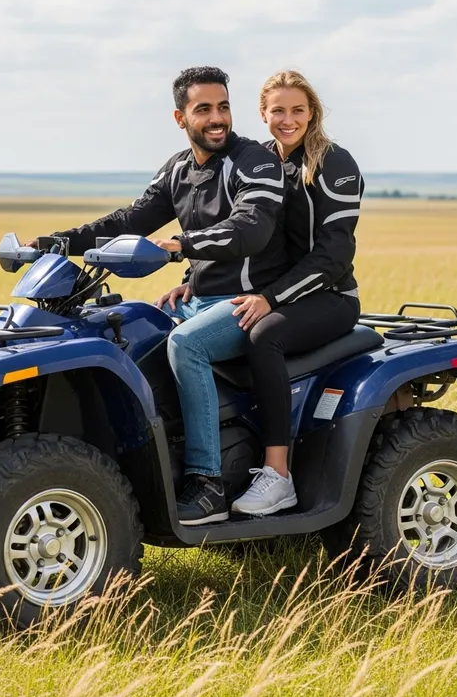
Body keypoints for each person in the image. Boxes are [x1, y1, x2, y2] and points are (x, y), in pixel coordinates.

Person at [26, 66, 290, 526]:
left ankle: (207, 482)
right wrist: (55, 242)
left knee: (187, 344)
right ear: (179, 117)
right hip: (200, 297)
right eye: (203, 109)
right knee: (133, 326)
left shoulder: (254, 162)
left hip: (250, 300)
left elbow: (252, 227)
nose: (217, 118)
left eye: (223, 107)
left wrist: (182, 246)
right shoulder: (179, 169)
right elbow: (130, 219)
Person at [227, 70, 363, 515]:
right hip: (278, 292)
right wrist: (195, 280)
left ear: (312, 113)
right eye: (279, 110)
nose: (288, 119)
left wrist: (271, 298)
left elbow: (334, 256)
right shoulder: (260, 161)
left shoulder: (334, 163)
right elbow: (246, 234)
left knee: (265, 337)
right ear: (263, 114)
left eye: (298, 110)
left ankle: (278, 475)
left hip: (331, 297)